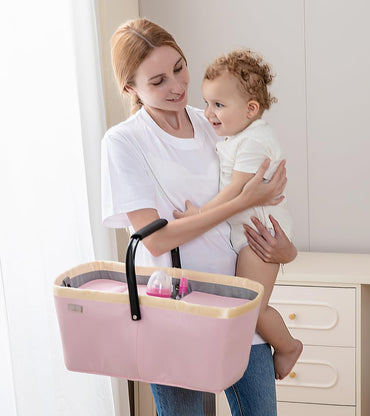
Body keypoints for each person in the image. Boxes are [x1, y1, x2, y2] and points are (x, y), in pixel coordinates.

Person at [101, 18, 297, 416]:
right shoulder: (124, 142)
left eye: (179, 67)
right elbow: (155, 238)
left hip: (240, 306)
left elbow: (260, 206)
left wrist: (286, 250)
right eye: (157, 81)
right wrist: (241, 201)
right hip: (174, 313)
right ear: (130, 88)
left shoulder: (215, 122)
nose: (176, 85)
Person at [174, 49, 303, 380]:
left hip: (260, 238)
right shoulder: (236, 136)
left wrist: (197, 214)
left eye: (218, 105)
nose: (208, 113)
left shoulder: (255, 141)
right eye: (207, 103)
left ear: (250, 109)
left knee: (252, 309)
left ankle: (289, 346)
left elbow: (239, 193)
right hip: (246, 235)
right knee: (246, 307)